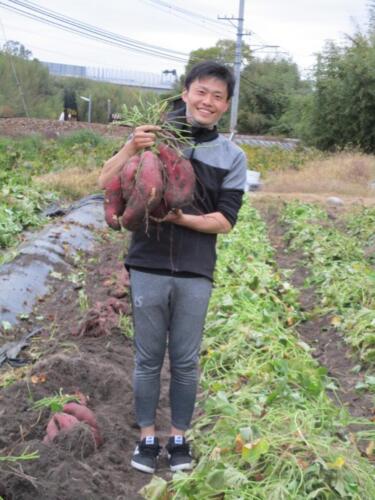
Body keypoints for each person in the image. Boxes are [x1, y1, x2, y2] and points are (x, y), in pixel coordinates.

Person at [98, 60, 247, 474]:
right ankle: (147, 437)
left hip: (196, 270)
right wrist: (131, 146)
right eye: (201, 91)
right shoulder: (152, 140)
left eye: (218, 96)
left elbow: (225, 221)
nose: (208, 101)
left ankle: (178, 437)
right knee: (147, 359)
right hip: (147, 263)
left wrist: (180, 219)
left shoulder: (232, 156)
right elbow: (105, 180)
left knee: (184, 361)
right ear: (185, 93)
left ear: (226, 105)